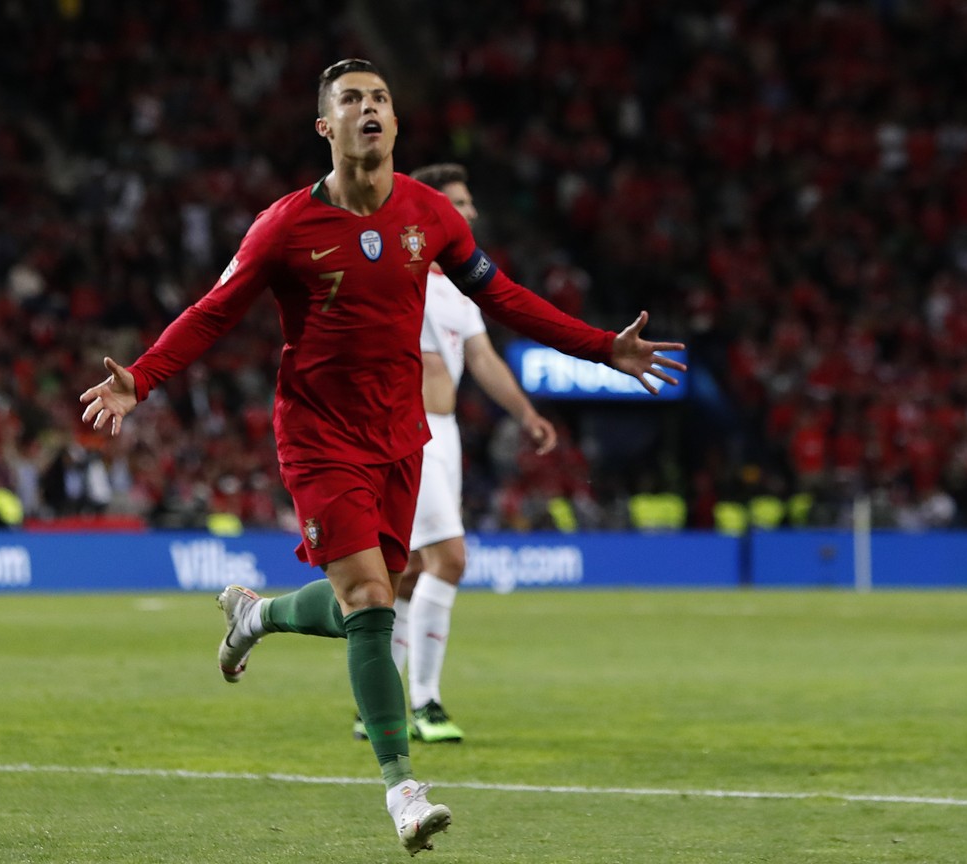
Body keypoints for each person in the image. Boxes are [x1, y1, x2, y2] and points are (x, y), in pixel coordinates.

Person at [79, 58, 685, 855]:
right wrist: (143, 380)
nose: (369, 108)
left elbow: (501, 297)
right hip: (319, 436)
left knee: (374, 598)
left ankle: (256, 614)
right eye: (351, 101)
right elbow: (214, 310)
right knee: (370, 599)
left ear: (395, 124)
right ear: (326, 129)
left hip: (401, 437)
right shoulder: (284, 226)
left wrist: (601, 347)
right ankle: (403, 788)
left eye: (380, 99)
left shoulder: (431, 216)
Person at [351, 162, 559, 745]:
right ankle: (424, 704)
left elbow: (485, 360)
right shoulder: (399, 276)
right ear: (429, 212)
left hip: (447, 437)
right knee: (450, 559)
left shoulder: (461, 291)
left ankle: (375, 700)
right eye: (458, 204)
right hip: (407, 432)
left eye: (469, 204)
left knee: (413, 571)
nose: (469, 213)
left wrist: (525, 413)